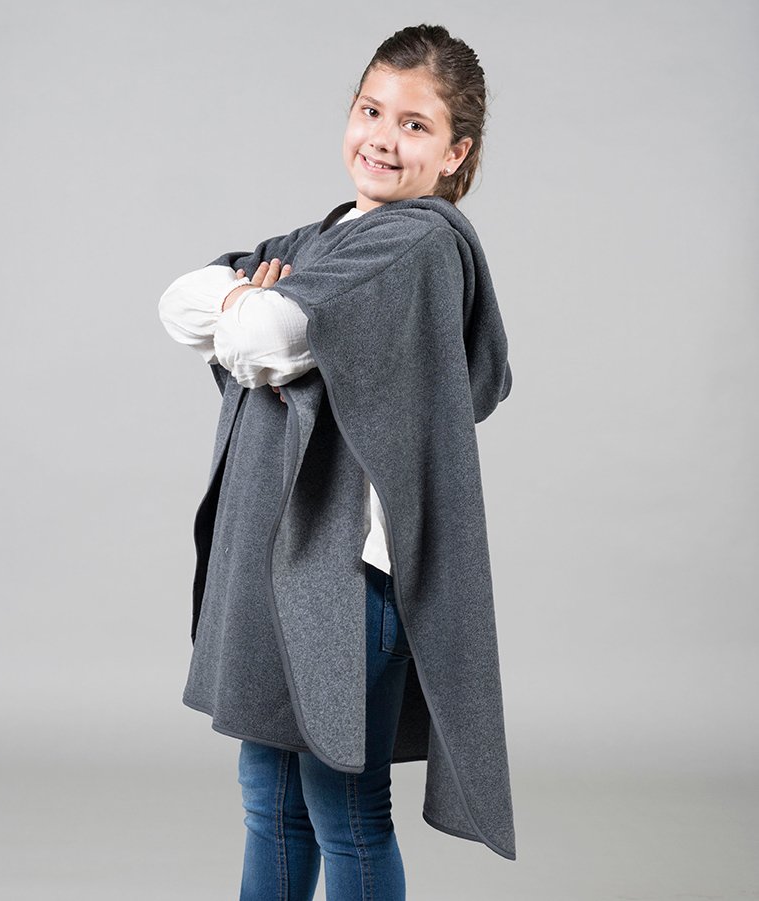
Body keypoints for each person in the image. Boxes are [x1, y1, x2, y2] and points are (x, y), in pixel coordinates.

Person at [159, 23, 514, 901]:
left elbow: (263, 336)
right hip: (292, 565)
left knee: (343, 810)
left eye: (414, 124)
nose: (382, 139)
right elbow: (179, 300)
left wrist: (253, 305)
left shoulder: (414, 244)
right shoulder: (329, 237)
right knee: (270, 799)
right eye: (370, 110)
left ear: (454, 153)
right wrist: (247, 302)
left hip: (348, 579)